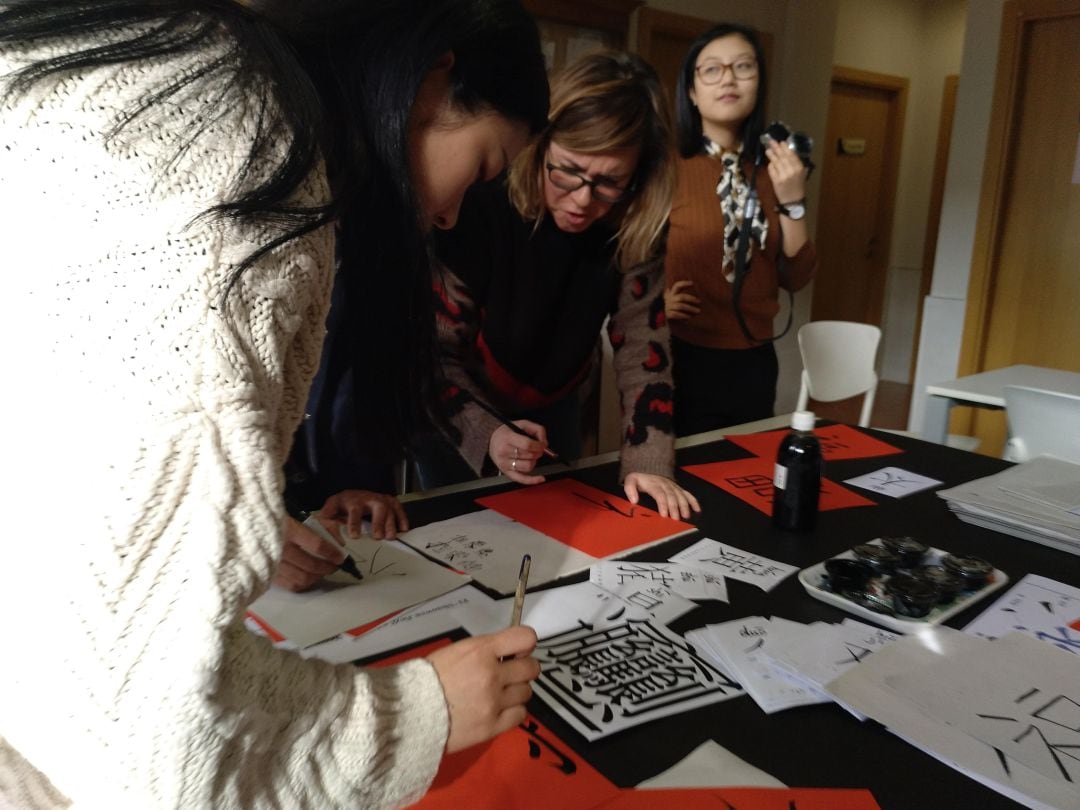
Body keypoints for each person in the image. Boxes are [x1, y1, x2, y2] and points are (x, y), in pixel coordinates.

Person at [0, 1, 549, 807]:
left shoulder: (161, 68)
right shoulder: (248, 168)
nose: (451, 215)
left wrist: (215, 534)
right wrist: (414, 714)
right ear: (438, 77)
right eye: (487, 166)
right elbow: (153, 752)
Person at [427, 50, 701, 520]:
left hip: (556, 398)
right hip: (458, 397)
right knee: (458, 536)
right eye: (567, 170)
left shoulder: (634, 223)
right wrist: (489, 430)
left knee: (552, 526)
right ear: (542, 143)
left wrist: (649, 461)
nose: (581, 200)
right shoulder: (481, 199)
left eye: (609, 182)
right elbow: (437, 353)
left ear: (637, 178)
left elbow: (644, 349)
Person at [663, 23, 817, 436]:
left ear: (758, 84)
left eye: (743, 67)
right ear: (691, 92)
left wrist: (793, 200)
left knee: (742, 474)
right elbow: (627, 249)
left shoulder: (777, 170)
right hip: (682, 354)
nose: (728, 78)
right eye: (711, 69)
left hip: (754, 357)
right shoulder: (665, 167)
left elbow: (796, 276)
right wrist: (653, 302)